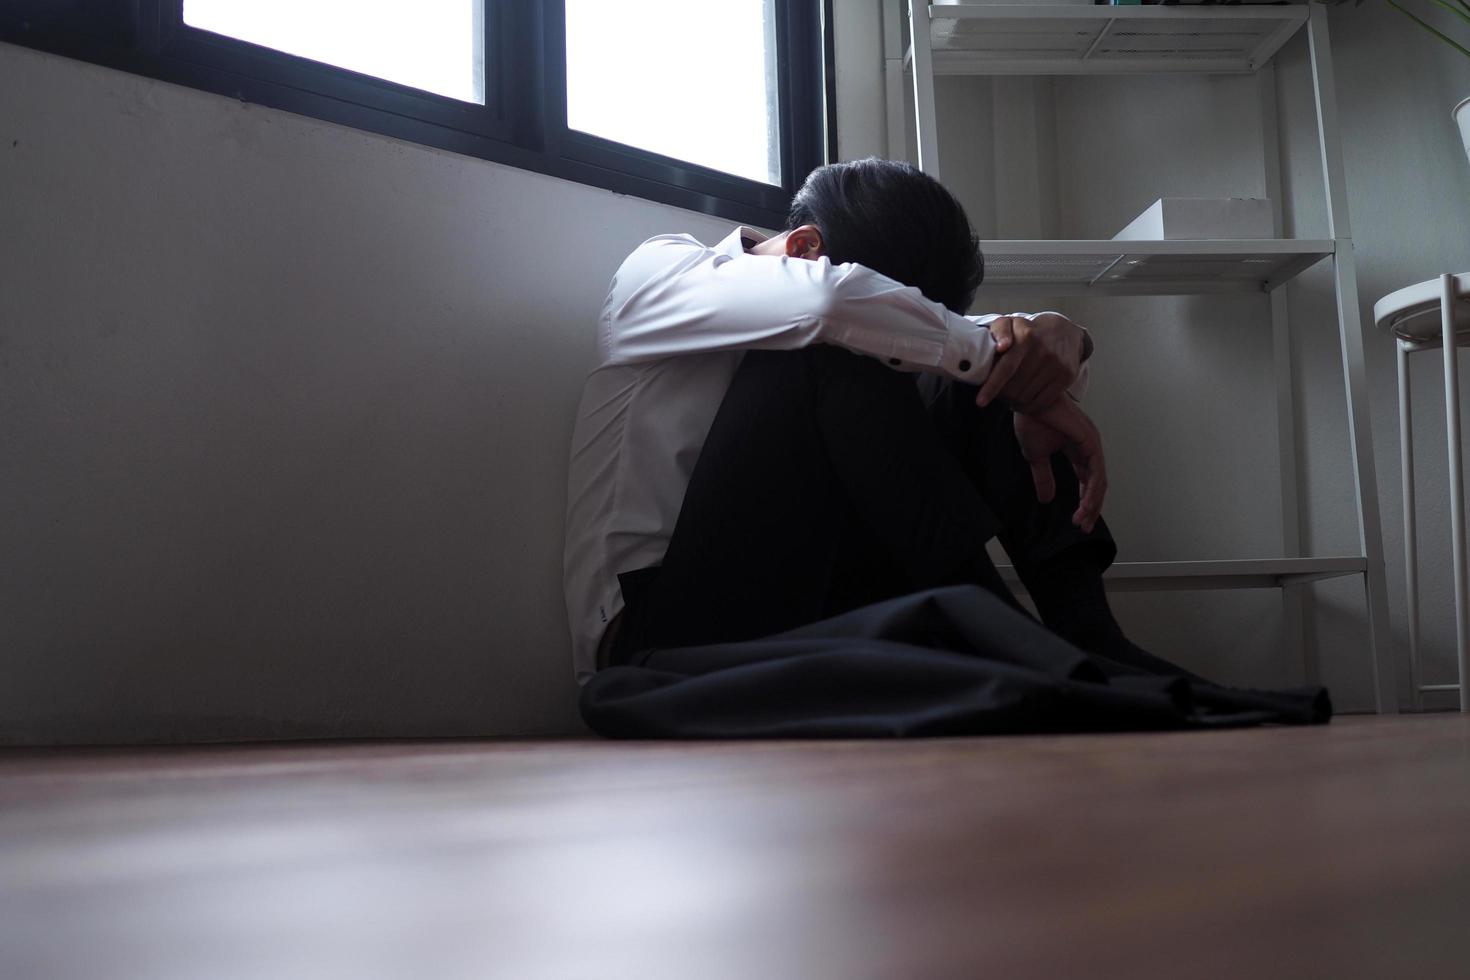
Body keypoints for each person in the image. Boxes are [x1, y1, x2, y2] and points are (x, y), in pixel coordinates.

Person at [561, 156, 1193, 703]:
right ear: (806, 248)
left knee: (966, 376)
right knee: (851, 346)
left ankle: (1088, 634)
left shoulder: (848, 310)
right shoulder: (657, 273)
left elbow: (915, 333)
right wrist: (998, 350)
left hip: (811, 598)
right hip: (657, 639)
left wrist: (1056, 341)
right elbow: (831, 306)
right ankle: (1010, 642)